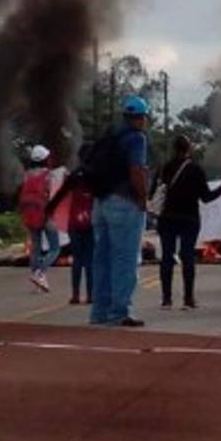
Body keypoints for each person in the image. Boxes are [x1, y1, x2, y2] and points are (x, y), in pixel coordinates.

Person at [91, 96, 150, 328]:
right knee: (125, 258)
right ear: (141, 117)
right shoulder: (136, 138)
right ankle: (119, 312)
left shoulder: (110, 134)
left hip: (100, 202)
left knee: (102, 258)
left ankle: (99, 312)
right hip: (124, 201)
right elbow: (136, 170)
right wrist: (143, 198)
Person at [154, 134, 221, 310]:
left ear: (173, 148)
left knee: (166, 257)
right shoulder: (196, 170)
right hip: (189, 218)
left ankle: (166, 299)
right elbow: (206, 197)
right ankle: (188, 298)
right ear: (189, 149)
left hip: (167, 217)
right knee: (187, 257)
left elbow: (154, 193)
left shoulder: (164, 168)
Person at [46, 142, 95, 306]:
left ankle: (75, 295)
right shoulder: (96, 176)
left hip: (74, 222)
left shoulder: (74, 176)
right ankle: (90, 295)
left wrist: (48, 210)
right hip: (91, 223)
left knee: (78, 260)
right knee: (90, 260)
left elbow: (59, 196)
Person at [18, 145, 60, 293]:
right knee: (55, 248)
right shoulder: (48, 175)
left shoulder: (26, 174)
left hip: (29, 213)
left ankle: (38, 282)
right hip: (45, 213)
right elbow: (52, 195)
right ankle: (40, 273)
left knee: (35, 248)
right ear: (44, 159)